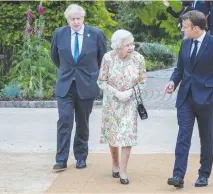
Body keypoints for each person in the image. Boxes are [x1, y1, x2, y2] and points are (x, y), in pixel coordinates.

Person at [165, 10, 213, 188]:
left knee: (206, 138)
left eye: (185, 27)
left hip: (207, 98)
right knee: (183, 137)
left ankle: (204, 174)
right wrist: (173, 82)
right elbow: (180, 68)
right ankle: (178, 176)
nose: (182, 30)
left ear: (195, 27)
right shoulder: (185, 43)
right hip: (185, 97)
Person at [50, 4, 107, 171]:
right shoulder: (59, 34)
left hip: (87, 84)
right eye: (72, 19)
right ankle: (61, 159)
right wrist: (68, 70)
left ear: (83, 19)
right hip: (65, 84)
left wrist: (92, 74)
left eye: (78, 18)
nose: (76, 22)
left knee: (83, 122)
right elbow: (55, 56)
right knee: (64, 120)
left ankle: (81, 156)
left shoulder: (95, 34)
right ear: (68, 20)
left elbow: (102, 58)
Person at [97, 29, 147, 185]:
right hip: (112, 103)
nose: (131, 47)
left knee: (127, 136)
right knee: (113, 135)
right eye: (127, 45)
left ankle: (123, 171)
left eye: (132, 43)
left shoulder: (138, 58)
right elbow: (101, 81)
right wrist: (116, 93)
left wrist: (131, 91)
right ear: (117, 47)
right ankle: (115, 163)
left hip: (130, 103)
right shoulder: (108, 58)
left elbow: (143, 81)